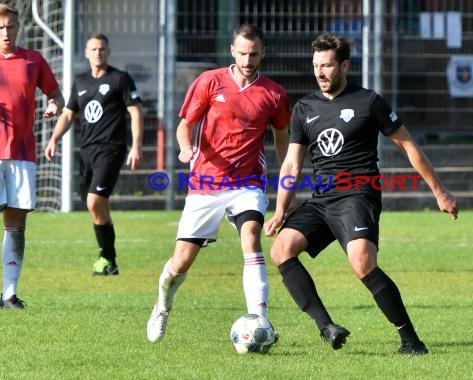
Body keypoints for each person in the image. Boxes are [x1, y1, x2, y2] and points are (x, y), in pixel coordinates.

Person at [264, 33, 458, 354]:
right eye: (316, 66)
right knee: (282, 249)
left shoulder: (368, 102)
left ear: (344, 65)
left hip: (358, 195)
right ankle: (327, 328)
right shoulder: (305, 108)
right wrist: (281, 210)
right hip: (322, 200)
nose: (320, 73)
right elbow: (291, 166)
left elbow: (409, 147)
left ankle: (411, 341)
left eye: (327, 65)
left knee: (362, 263)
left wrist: (440, 192)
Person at [146, 24, 290, 343]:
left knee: (251, 235)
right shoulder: (209, 82)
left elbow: (282, 136)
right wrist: (185, 149)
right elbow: (186, 125)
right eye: (242, 53)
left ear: (263, 53)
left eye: (254, 54)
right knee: (181, 262)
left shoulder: (274, 93)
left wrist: (286, 171)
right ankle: (162, 305)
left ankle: (259, 319)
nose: (248, 59)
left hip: (247, 182)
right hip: (206, 182)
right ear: (232, 51)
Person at [44, 33, 143, 275]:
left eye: (102, 49)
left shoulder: (120, 79)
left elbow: (136, 112)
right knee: (95, 205)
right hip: (87, 151)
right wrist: (54, 139)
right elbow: (68, 114)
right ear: (87, 53)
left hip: (112, 149)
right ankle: (109, 260)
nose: (98, 53)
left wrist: (137, 146)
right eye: (93, 49)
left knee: (94, 201)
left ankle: (106, 257)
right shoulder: (80, 82)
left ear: (108, 52)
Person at [0, 3, 64, 308]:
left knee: (16, 223)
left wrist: (53, 105)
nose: (5, 33)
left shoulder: (33, 60)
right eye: (0, 28)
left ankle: (9, 293)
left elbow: (55, 94)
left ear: (18, 27)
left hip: (22, 154)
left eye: (10, 27)